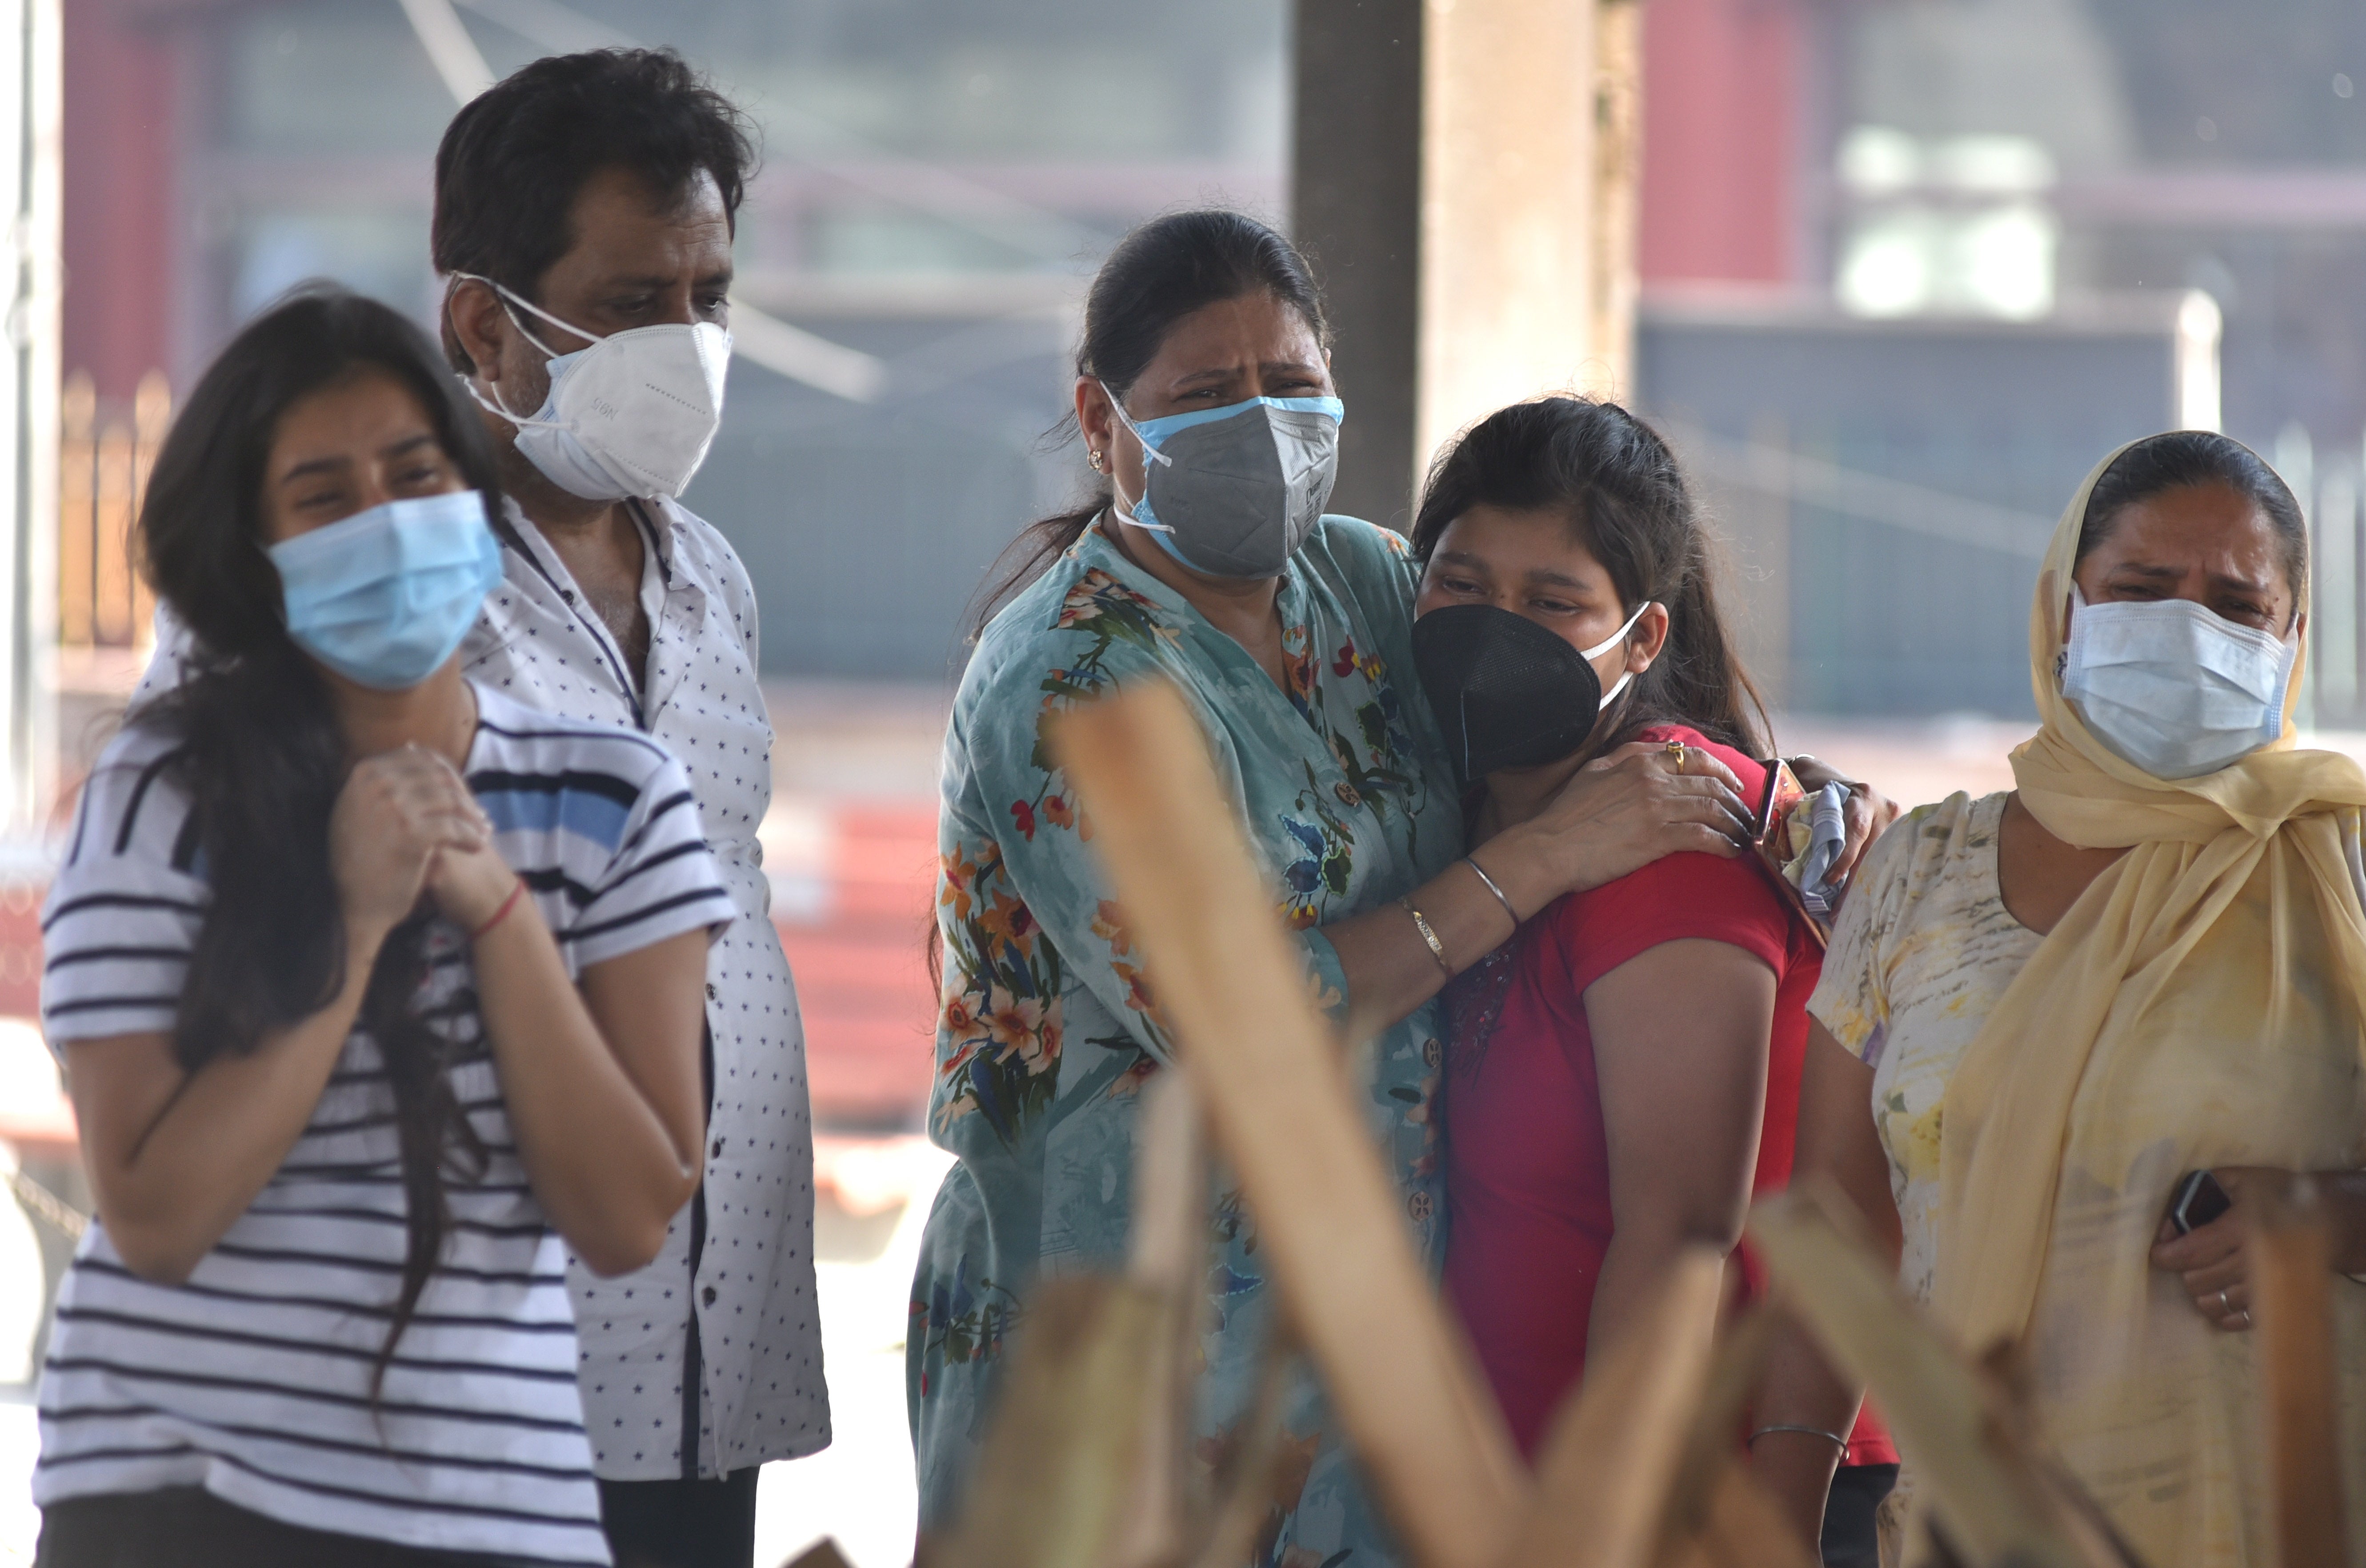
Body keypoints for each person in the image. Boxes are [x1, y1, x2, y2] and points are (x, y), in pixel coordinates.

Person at [908, 212, 1812, 1562]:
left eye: (1292, 386)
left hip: (1365, 1337)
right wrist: (1543, 863)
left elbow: (1561, 687)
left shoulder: (1369, 582)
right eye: (1208, 397)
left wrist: (1794, 813)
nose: (1262, 427)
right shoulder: (1072, 681)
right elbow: (1243, 1028)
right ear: (1102, 421)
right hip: (1120, 1331)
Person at [137, 50, 829, 1563]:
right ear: (481, 324)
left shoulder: (709, 576)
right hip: (451, 1369)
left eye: (709, 296)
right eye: (638, 300)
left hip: (714, 1348)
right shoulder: (353, 577)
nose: (690, 340)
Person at [33, 288, 733, 1566]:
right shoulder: (160, 792)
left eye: (417, 477)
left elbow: (630, 1214)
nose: (391, 527)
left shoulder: (620, 800)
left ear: (476, 502)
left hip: (497, 1507)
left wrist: (498, 909)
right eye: (325, 499)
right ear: (252, 555)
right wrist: (356, 929)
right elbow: (156, 1214)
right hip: (182, 1497)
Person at [1754, 431, 2366, 1567]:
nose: (2190, 632)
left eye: (2237, 607)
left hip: (2301, 1509)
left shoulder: (2365, 873)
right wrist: (1778, 1521)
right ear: (2064, 614)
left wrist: (2348, 1216)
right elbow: (1834, 1243)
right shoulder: (1918, 875)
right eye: (2144, 592)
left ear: (2290, 643)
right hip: (1990, 1515)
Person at [1409, 398, 1895, 1558]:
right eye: (1462, 585)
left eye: (1552, 602)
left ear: (1641, 639)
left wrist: (1601, 1520)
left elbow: (1683, 1233)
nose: (1495, 628)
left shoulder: (1669, 829)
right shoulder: (1475, 808)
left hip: (1698, 1505)